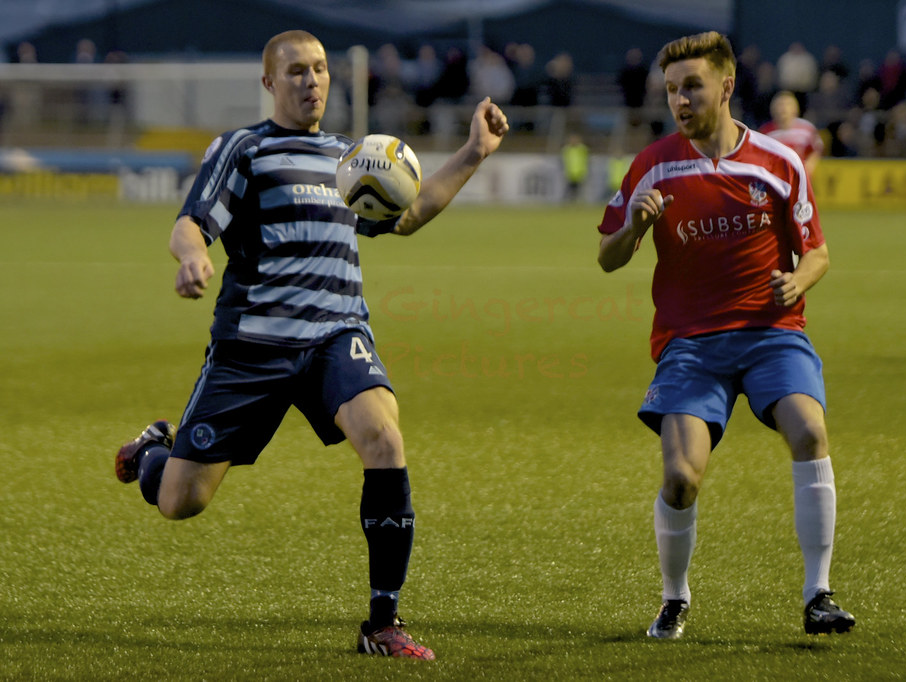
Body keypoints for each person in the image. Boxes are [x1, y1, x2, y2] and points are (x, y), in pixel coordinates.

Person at [114, 29, 509, 661]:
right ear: (270, 83)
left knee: (383, 437)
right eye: (297, 71)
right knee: (179, 502)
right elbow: (191, 222)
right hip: (252, 347)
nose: (312, 81)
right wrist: (191, 259)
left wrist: (473, 152)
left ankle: (383, 622)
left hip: (335, 338)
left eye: (320, 69)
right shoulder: (244, 150)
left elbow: (405, 215)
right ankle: (157, 451)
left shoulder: (352, 158)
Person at [596, 31, 854, 640]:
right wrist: (634, 226)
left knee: (810, 430)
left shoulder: (777, 162)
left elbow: (817, 252)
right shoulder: (651, 164)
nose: (680, 101)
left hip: (772, 333)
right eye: (671, 91)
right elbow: (607, 258)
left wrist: (798, 281)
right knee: (682, 477)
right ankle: (674, 596)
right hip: (691, 344)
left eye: (692, 87)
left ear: (726, 86)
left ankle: (818, 593)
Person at [759, 90, 824, 177]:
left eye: (787, 104)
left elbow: (817, 149)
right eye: (780, 105)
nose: (783, 108)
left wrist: (809, 166)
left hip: (800, 178)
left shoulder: (807, 129)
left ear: (795, 108)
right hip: (777, 178)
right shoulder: (766, 133)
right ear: (772, 109)